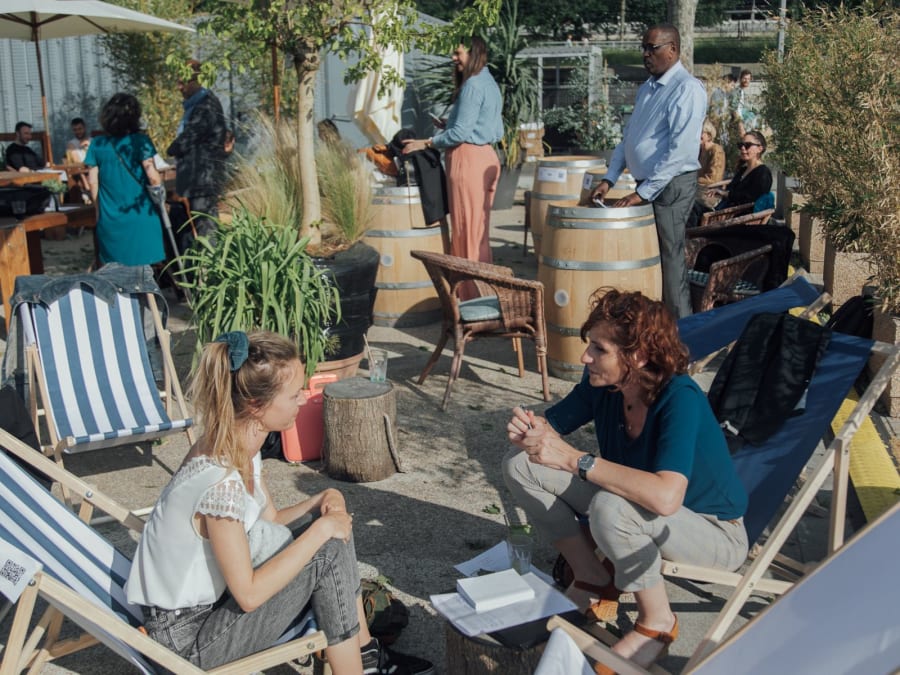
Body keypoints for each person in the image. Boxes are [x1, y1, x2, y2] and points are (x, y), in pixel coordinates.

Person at [125, 331, 434, 675]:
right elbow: (249, 595)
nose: (303, 399)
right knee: (326, 547)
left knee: (327, 526)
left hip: (208, 610)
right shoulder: (221, 484)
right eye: (294, 394)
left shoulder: (236, 446)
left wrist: (322, 501)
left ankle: (365, 656)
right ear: (256, 405)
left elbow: (270, 519)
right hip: (187, 641)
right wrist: (321, 532)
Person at [502, 288, 748, 673]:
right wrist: (532, 433)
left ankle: (657, 622)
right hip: (637, 512)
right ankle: (591, 576)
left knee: (611, 506)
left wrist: (574, 459)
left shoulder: (679, 398)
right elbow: (551, 427)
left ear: (638, 356)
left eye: (598, 349)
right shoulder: (605, 386)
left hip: (712, 533)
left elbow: (666, 498)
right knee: (521, 464)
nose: (585, 357)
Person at [589, 24, 706, 319]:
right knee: (646, 259)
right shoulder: (647, 89)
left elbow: (680, 152)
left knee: (670, 260)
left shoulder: (687, 89)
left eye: (651, 48)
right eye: (643, 48)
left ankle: (681, 331)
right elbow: (628, 139)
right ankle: (652, 326)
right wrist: (609, 179)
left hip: (671, 186)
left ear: (672, 49)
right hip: (649, 185)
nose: (645, 54)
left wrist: (642, 193)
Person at [401, 35, 503, 298]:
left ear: (474, 53)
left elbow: (459, 135)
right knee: (478, 232)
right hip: (486, 156)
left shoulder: (471, 85)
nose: (453, 58)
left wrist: (427, 142)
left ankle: (469, 297)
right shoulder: (489, 81)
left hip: (468, 160)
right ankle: (485, 293)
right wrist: (450, 125)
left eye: (458, 53)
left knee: (465, 231)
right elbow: (489, 126)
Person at [84, 93, 165, 267]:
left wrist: (98, 211)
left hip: (110, 218)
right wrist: (161, 201)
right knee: (145, 271)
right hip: (142, 215)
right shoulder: (140, 141)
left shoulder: (97, 144)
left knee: (115, 272)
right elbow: (152, 176)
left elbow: (92, 181)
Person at [166, 60, 229, 237]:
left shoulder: (205, 106)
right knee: (200, 226)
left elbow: (190, 136)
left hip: (203, 179)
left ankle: (210, 255)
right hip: (198, 178)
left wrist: (172, 149)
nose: (179, 88)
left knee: (206, 228)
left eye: (183, 82)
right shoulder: (198, 104)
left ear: (197, 80)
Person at [703, 130, 772, 211]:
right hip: (723, 211)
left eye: (747, 145)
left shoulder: (763, 173)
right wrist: (719, 192)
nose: (742, 148)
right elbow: (731, 190)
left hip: (734, 216)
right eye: (740, 145)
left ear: (760, 149)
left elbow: (750, 198)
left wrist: (724, 193)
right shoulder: (743, 170)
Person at [731, 69, 761, 136]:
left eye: (748, 79)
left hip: (746, 123)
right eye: (744, 78)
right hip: (740, 124)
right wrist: (740, 124)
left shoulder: (743, 91)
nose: (746, 81)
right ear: (740, 79)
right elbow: (734, 109)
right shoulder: (737, 91)